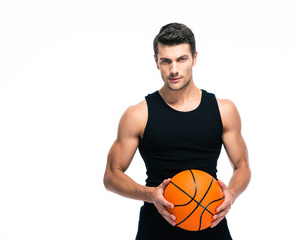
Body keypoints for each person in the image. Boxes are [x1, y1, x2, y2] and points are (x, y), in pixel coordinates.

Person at [103, 23, 251, 240]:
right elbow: (111, 176)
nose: (174, 70)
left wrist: (232, 193)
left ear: (194, 58)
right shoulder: (138, 115)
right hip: (156, 227)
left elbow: (243, 166)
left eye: (181, 59)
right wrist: (151, 195)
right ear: (156, 62)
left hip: (211, 223)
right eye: (166, 61)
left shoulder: (223, 110)